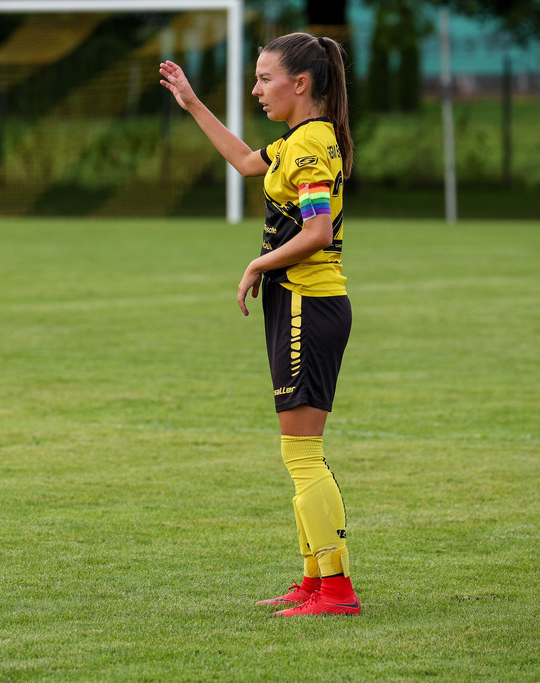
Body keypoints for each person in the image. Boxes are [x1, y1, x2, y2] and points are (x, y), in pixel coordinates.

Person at [160, 33, 359, 617]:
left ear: (301, 83)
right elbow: (248, 162)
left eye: (265, 79)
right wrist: (193, 103)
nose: (256, 90)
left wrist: (258, 263)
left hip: (307, 304)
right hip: (298, 303)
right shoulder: (298, 141)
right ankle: (314, 581)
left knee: (302, 455)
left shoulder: (309, 146)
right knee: (298, 453)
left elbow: (317, 233)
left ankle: (336, 590)